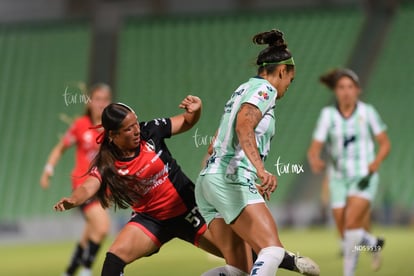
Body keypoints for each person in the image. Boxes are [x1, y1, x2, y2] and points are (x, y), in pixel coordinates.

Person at [54, 98, 319, 276]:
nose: (136, 130)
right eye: (128, 129)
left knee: (237, 257)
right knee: (113, 259)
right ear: (113, 135)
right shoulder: (107, 161)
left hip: (189, 208)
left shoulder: (151, 132)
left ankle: (287, 260)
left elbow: (187, 122)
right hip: (151, 220)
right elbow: (89, 185)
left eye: (136, 123)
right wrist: (74, 200)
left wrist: (196, 110)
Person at [195, 29, 319, 276]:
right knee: (272, 249)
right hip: (230, 179)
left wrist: (222, 181)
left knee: (239, 270)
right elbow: (244, 125)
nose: (287, 87)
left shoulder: (242, 90)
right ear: (282, 71)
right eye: (289, 81)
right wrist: (260, 171)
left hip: (210, 180)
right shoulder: (265, 91)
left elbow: (214, 144)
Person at [307, 68, 391, 276]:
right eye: (341, 87)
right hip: (337, 179)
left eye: (350, 87)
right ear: (336, 91)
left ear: (358, 90)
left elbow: (385, 143)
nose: (346, 91)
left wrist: (377, 161)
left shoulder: (367, 112)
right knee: (345, 232)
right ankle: (372, 243)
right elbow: (314, 147)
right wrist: (314, 159)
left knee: (352, 226)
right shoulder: (328, 115)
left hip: (364, 176)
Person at [41, 83, 112, 276]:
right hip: (83, 187)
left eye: (105, 100)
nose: (101, 104)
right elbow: (60, 148)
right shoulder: (81, 125)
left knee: (89, 235)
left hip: (102, 188)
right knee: (103, 226)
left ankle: (70, 271)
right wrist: (48, 169)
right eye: (97, 99)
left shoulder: (110, 129)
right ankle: (87, 270)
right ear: (89, 102)